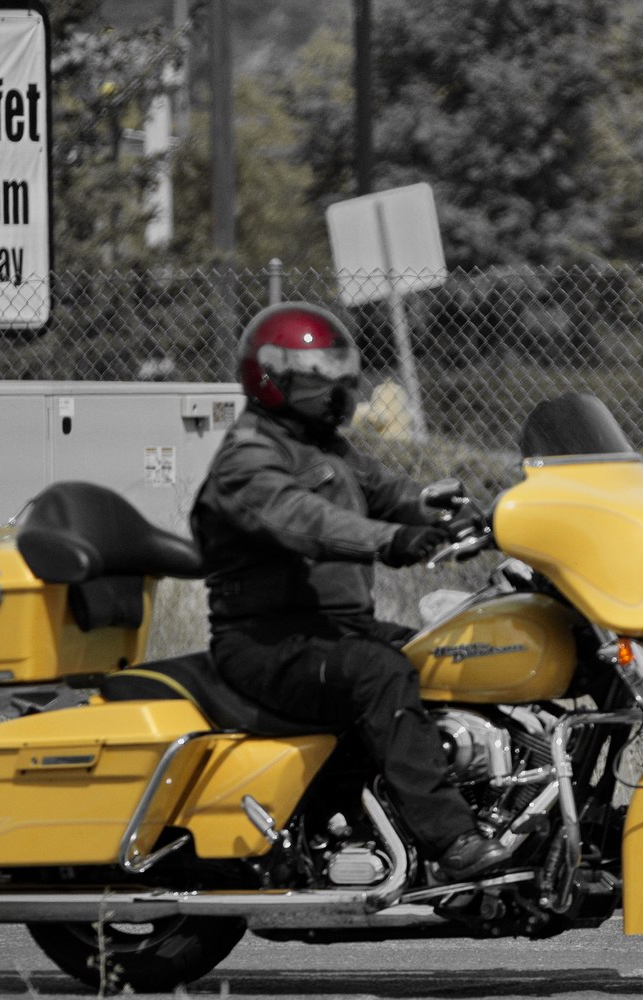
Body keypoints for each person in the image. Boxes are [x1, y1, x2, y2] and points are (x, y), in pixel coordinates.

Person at [189, 302, 512, 882]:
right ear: (270, 377)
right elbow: (304, 519)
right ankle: (452, 841)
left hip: (333, 630)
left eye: (339, 374)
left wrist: (458, 513)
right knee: (379, 673)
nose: (335, 390)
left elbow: (389, 492)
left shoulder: (326, 448)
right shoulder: (248, 457)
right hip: (267, 641)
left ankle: (455, 814)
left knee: (451, 656)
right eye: (317, 376)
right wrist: (392, 539)